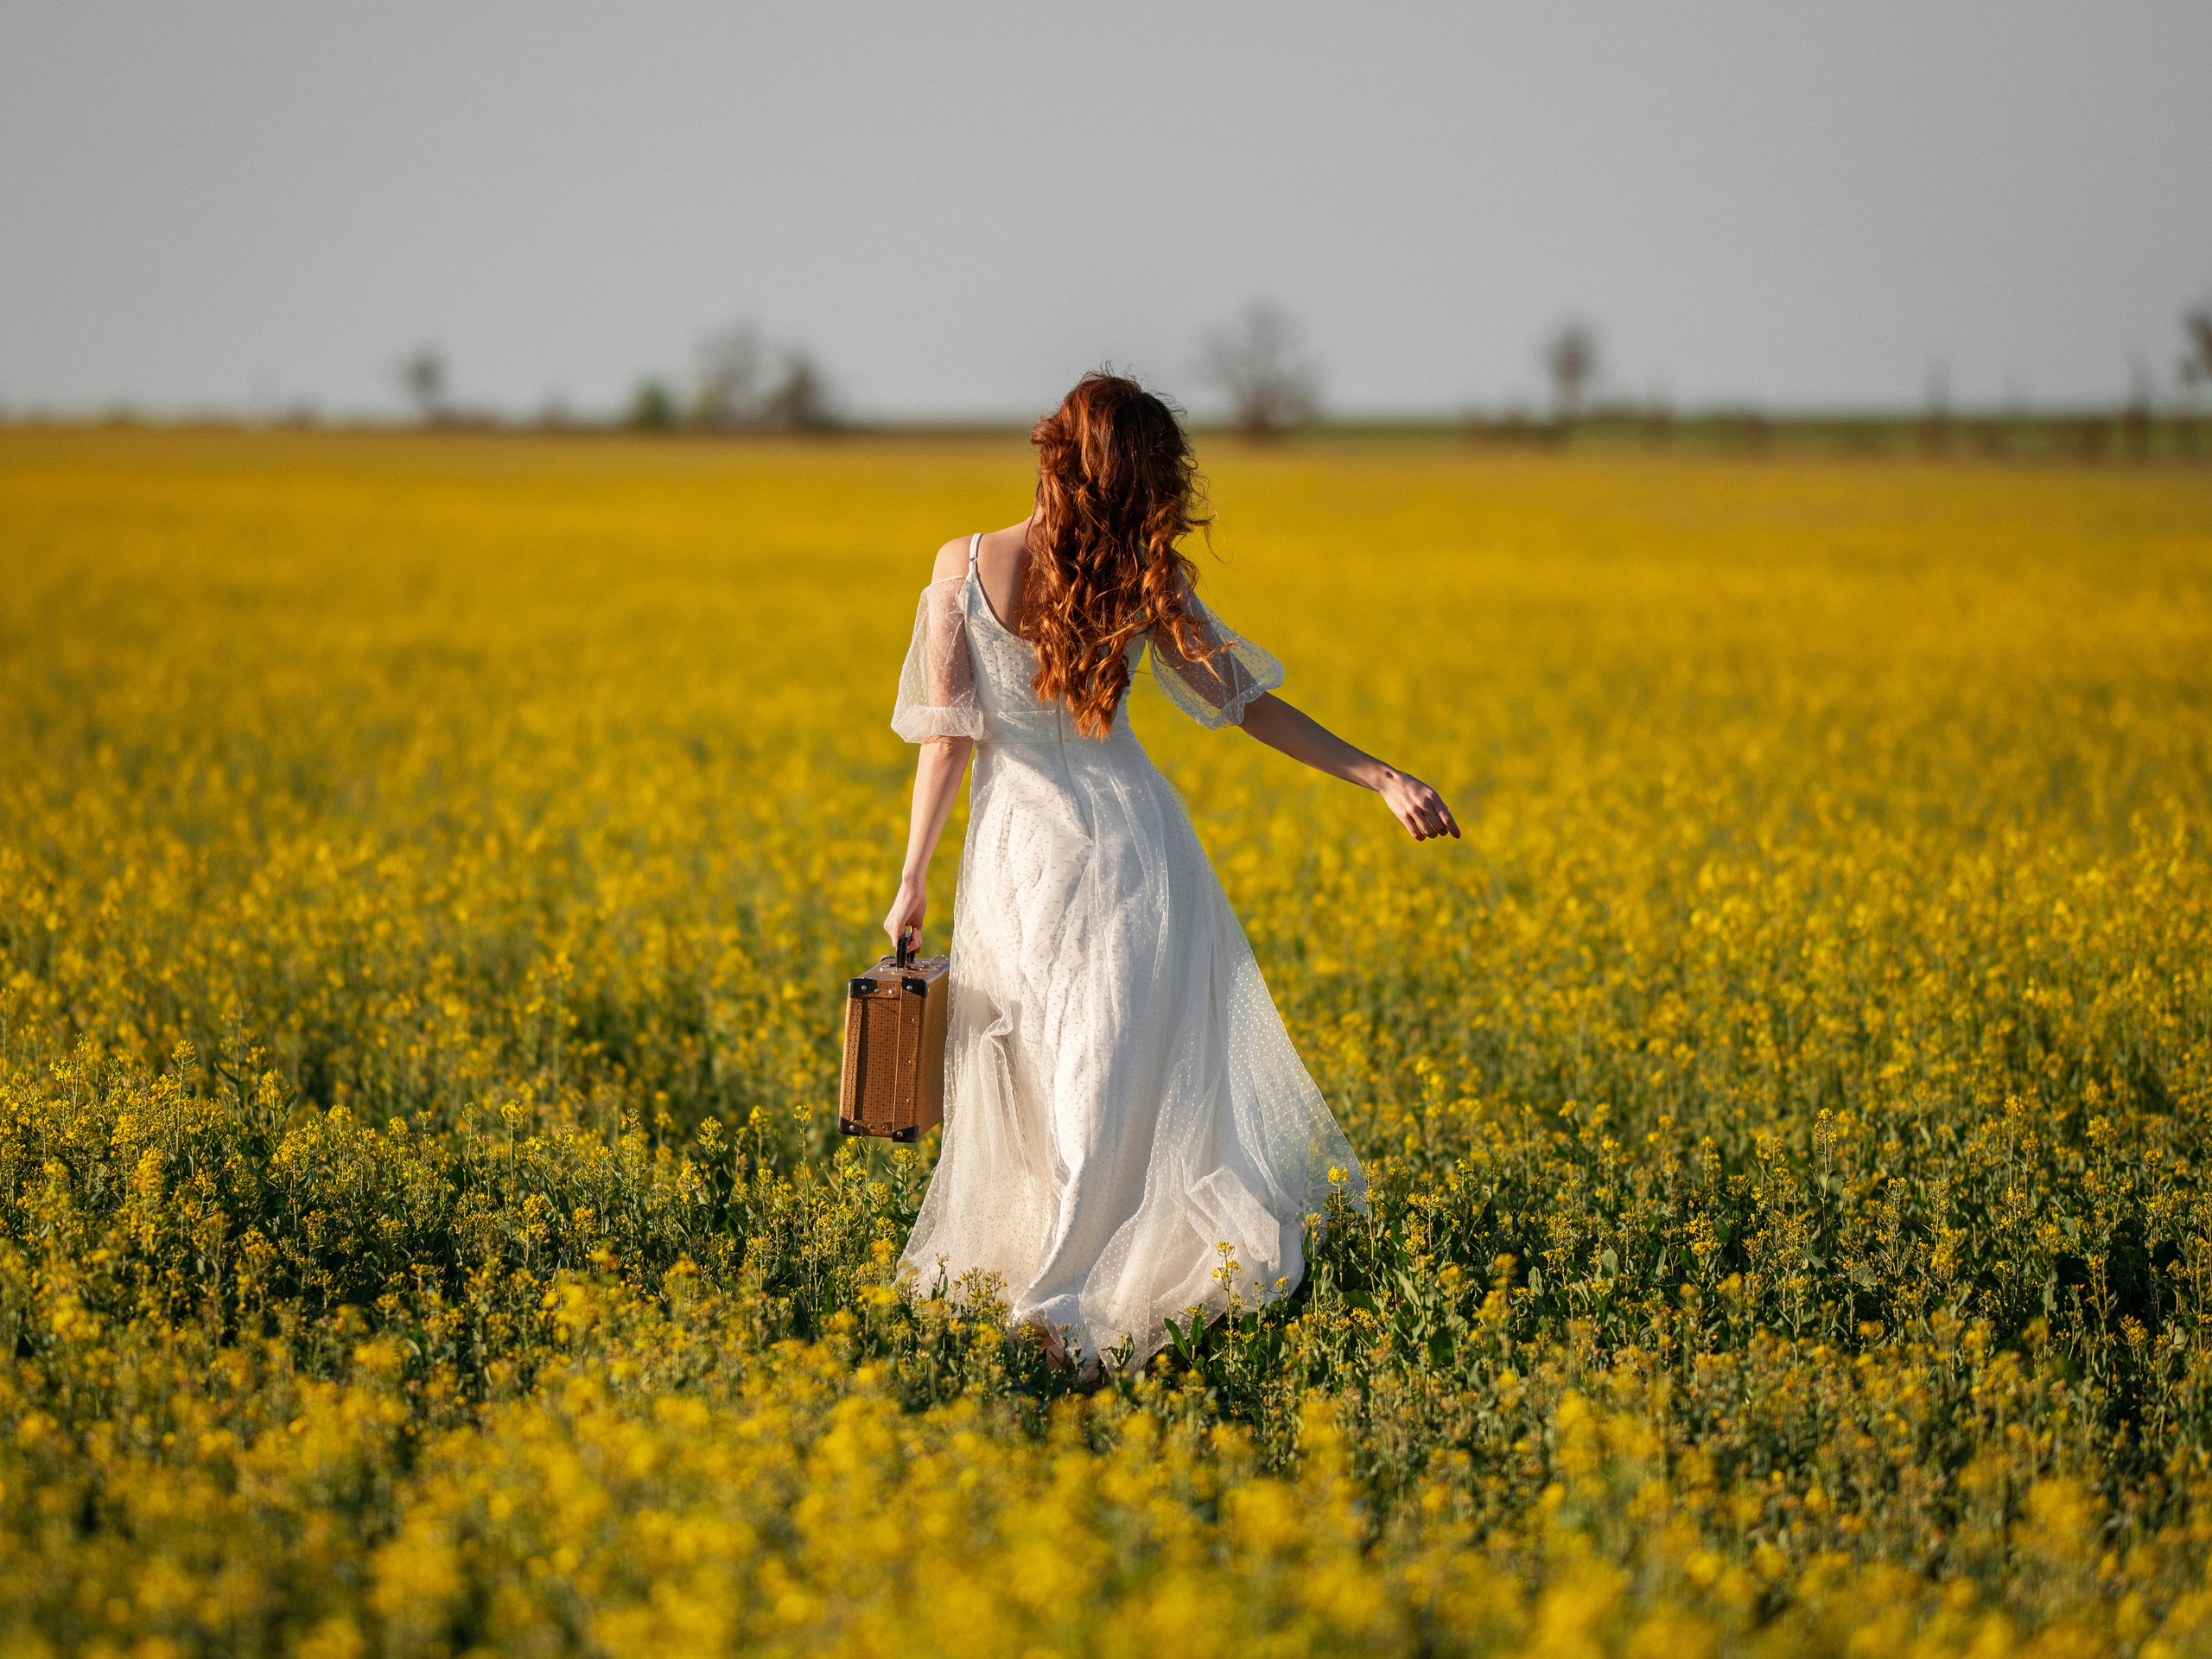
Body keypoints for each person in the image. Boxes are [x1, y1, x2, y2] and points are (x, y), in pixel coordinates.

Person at [884, 372, 1458, 1374]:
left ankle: (1061, 1296)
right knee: (1108, 1072)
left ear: (1052, 451)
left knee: (1065, 1073)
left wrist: (911, 881)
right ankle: (1068, 1287)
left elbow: (948, 741)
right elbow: (1247, 706)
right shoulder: (1145, 575)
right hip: (1132, 842)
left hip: (1021, 854)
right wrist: (1377, 774)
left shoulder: (964, 565)